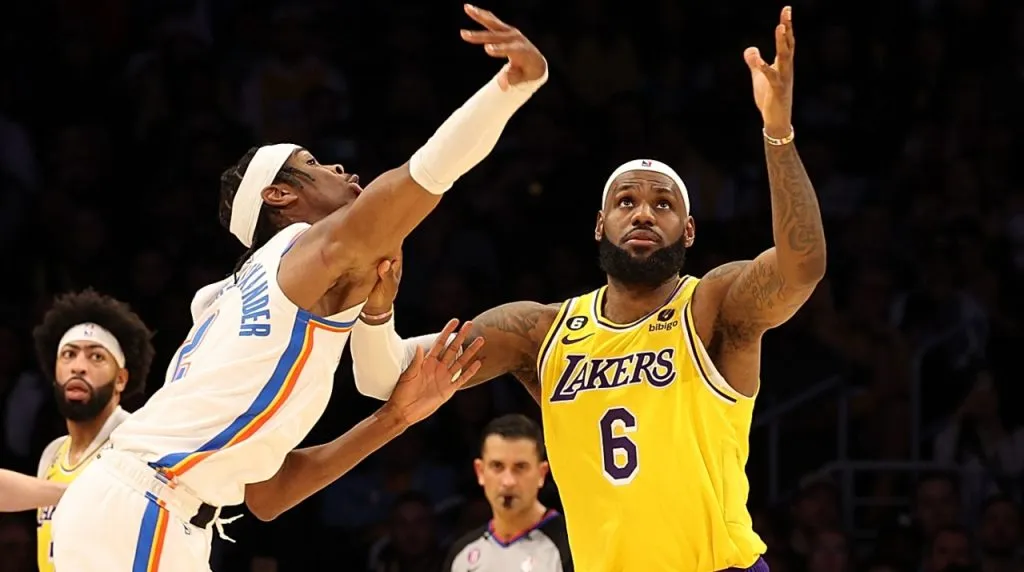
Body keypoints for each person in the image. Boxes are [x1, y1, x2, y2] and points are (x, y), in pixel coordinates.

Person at [51, 6, 547, 572]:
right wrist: (512, 86)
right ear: (278, 197)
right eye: (312, 163)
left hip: (152, 509)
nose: (338, 166)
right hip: (143, 507)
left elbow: (271, 491)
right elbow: (423, 176)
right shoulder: (301, 251)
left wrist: (390, 387)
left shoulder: (241, 297)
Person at [351, 7, 825, 572]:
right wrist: (373, 312)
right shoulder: (539, 331)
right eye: (626, 202)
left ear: (689, 231)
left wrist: (777, 133)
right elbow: (386, 378)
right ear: (600, 225)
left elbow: (802, 268)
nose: (644, 214)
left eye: (664, 204)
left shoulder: (712, 307)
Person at [31, 289, 155, 572]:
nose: (79, 367)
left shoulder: (138, 441)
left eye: (96, 357)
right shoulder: (52, 454)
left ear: (120, 379)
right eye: (69, 354)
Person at [443, 414, 572, 572]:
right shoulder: (462, 555)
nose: (508, 481)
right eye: (497, 466)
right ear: (480, 472)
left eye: (520, 467)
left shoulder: (571, 545)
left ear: (542, 473)